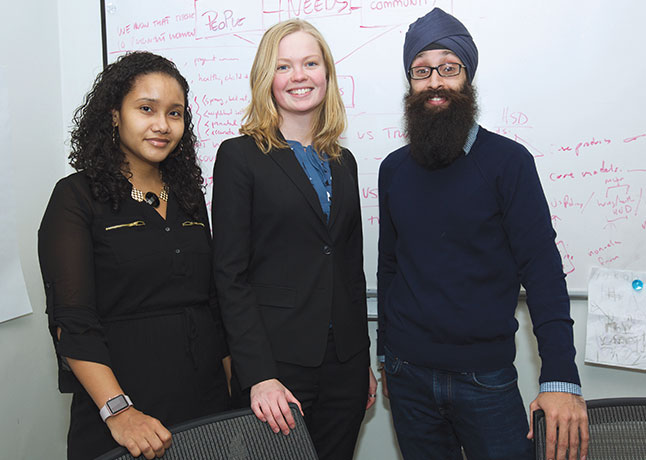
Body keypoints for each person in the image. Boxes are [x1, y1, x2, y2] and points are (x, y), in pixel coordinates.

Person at [377, 8, 589, 460]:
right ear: (410, 82)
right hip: (406, 373)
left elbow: (545, 273)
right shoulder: (393, 169)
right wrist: (384, 359)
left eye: (448, 68)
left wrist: (560, 379)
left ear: (467, 77)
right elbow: (389, 266)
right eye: (421, 71)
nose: (435, 81)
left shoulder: (509, 163)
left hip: (485, 380)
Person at [38, 51, 230, 460]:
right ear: (114, 115)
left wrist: (235, 398)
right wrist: (119, 412)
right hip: (125, 418)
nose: (162, 125)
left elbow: (213, 303)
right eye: (146, 109)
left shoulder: (190, 198)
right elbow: (72, 323)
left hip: (207, 410)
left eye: (175, 113)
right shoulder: (75, 198)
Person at [211, 18, 377, 460]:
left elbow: (349, 267)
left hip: (344, 365)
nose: (299, 76)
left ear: (327, 75)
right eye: (284, 66)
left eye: (310, 63)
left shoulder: (344, 161)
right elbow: (229, 275)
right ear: (267, 78)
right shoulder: (239, 155)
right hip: (277, 366)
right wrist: (258, 374)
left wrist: (362, 360)